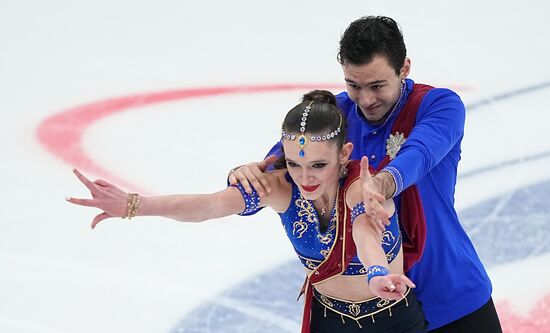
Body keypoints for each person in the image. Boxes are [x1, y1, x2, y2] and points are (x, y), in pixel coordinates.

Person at [67, 90, 428, 333]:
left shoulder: (360, 189)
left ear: (344, 154)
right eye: (294, 164)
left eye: (318, 165)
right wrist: (135, 205)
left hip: (393, 319)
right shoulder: (279, 188)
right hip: (328, 320)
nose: (305, 177)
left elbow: (365, 231)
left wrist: (377, 272)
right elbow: (211, 205)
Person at [228, 16, 503, 332]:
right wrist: (245, 174)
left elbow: (420, 153)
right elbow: (283, 164)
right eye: (354, 85)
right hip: (369, 312)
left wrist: (383, 184)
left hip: (449, 292)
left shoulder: (438, 105)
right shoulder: (334, 118)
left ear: (404, 68)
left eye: (377, 86)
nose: (366, 99)